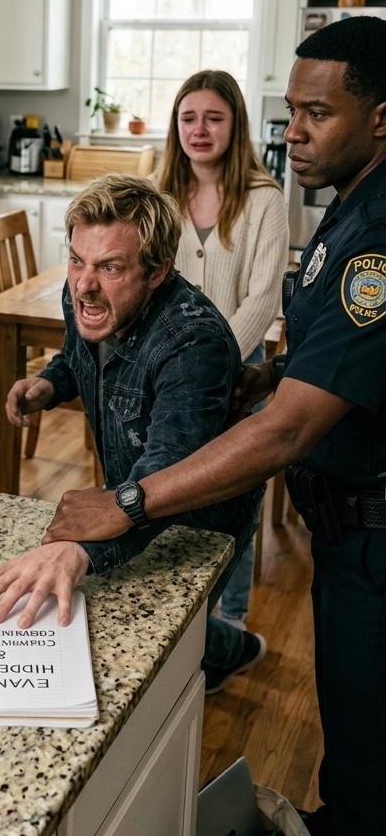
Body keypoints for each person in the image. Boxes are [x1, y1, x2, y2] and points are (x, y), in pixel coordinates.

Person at [34, 17, 386, 836]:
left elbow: (290, 426)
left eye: (318, 111)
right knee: (353, 744)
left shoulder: (373, 239)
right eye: (292, 108)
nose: (296, 129)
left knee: (368, 755)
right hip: (343, 531)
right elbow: (309, 370)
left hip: (373, 533)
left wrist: (133, 499)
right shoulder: (344, 211)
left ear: (381, 114)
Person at [0, 174, 265, 693]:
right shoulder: (86, 297)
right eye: (77, 260)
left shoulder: (191, 342)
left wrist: (82, 551)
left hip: (200, 521)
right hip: (131, 496)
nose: (85, 284)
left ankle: (231, 651)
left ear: (157, 271)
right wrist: (49, 383)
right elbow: (77, 356)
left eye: (110, 267)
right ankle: (234, 649)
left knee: (167, 649)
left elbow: (167, 474)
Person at [157, 69, 289, 628]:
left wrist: (211, 366)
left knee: (235, 498)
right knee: (170, 490)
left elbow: (263, 298)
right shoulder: (158, 196)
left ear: (235, 124)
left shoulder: (264, 199)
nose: (200, 129)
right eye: (189, 118)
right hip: (166, 374)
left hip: (239, 375)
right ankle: (179, 618)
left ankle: (229, 625)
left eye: (214, 117)